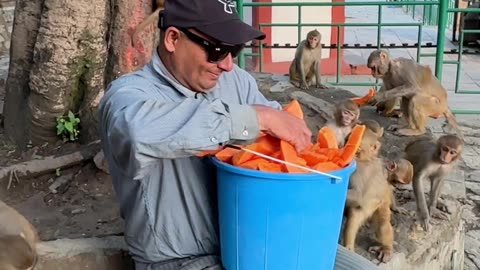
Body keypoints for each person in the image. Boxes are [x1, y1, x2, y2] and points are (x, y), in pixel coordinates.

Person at [98, 0, 381, 269]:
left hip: (263, 240)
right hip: (184, 260)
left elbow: (287, 138)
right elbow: (137, 133)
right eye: (218, 49)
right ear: (173, 39)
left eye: (235, 49)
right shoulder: (129, 95)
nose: (228, 64)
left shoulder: (235, 81)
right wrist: (258, 118)